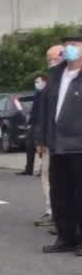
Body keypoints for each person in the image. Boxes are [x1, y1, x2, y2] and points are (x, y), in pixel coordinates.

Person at [37, 35, 82, 255]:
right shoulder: (56, 75)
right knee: (60, 193)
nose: (68, 49)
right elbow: (46, 109)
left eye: (74, 45)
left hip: (79, 144)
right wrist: (43, 138)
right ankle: (66, 237)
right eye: (66, 45)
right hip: (58, 144)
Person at [36, 47, 64, 229]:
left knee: (55, 178)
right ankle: (56, 214)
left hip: (62, 141)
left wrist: (43, 140)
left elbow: (48, 114)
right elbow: (44, 114)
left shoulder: (59, 80)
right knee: (51, 176)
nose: (50, 62)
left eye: (52, 58)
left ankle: (55, 213)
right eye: (49, 59)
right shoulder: (55, 80)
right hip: (53, 139)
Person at [22, 75, 46, 177]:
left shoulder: (46, 94)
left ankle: (43, 169)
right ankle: (28, 169)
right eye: (35, 82)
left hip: (41, 123)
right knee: (29, 145)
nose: (36, 84)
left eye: (38, 82)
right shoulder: (37, 94)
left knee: (40, 146)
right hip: (34, 123)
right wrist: (29, 123)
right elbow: (34, 110)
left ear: (45, 82)